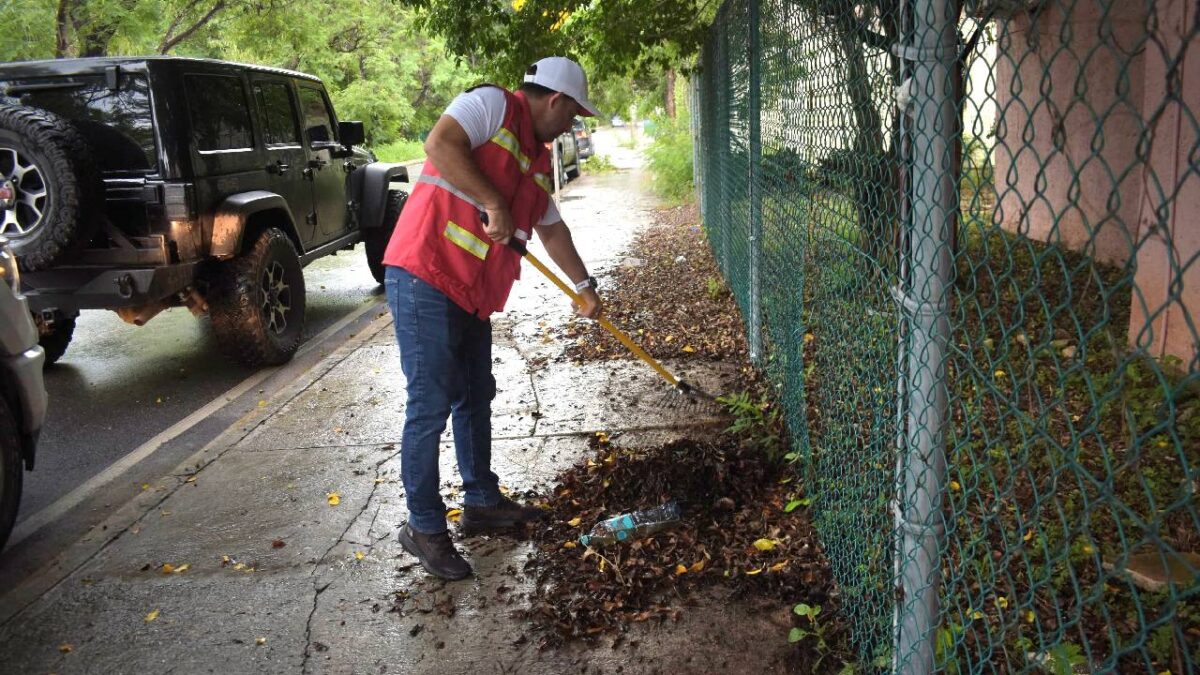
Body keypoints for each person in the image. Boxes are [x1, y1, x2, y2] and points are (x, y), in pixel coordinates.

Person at [381, 57, 603, 581]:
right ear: (555, 100)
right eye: (573, 114)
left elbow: (552, 228)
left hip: (470, 292)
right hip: (425, 273)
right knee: (430, 403)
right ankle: (423, 527)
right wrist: (492, 202)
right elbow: (439, 144)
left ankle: (481, 501)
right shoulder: (490, 105)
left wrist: (585, 285)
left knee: (476, 393)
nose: (572, 125)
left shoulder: (536, 157)